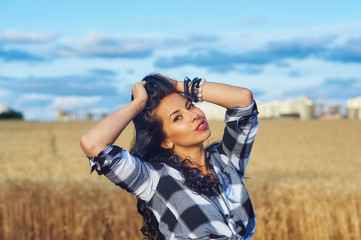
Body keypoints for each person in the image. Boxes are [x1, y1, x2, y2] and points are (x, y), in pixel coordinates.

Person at [80, 73, 259, 240]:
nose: (193, 116)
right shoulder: (155, 179)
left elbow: (243, 100)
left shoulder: (226, 161)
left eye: (190, 106)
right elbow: (93, 144)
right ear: (165, 141)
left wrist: (176, 85)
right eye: (177, 118)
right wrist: (139, 103)